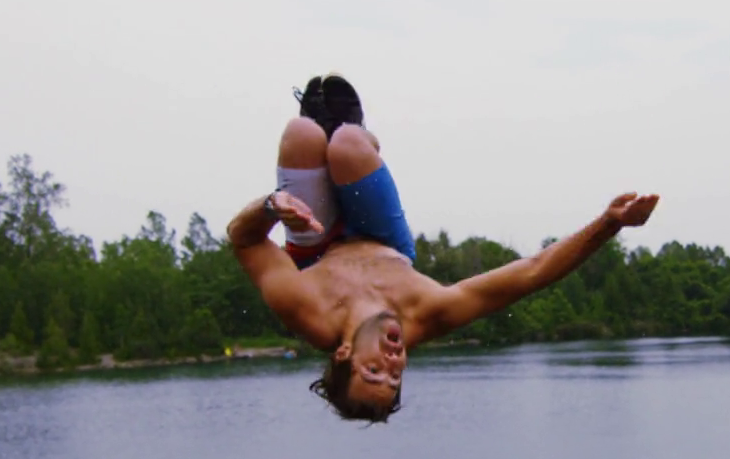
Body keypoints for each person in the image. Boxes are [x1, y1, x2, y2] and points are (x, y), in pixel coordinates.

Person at [228, 75, 659, 422]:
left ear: (344, 354)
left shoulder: (306, 310)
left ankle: (320, 131)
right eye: (395, 378)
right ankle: (352, 131)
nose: (393, 364)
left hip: (316, 238)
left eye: (373, 370)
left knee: (301, 134)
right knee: (347, 146)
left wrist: (271, 207)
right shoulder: (427, 313)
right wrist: (609, 224)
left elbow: (242, 239)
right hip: (381, 237)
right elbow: (531, 272)